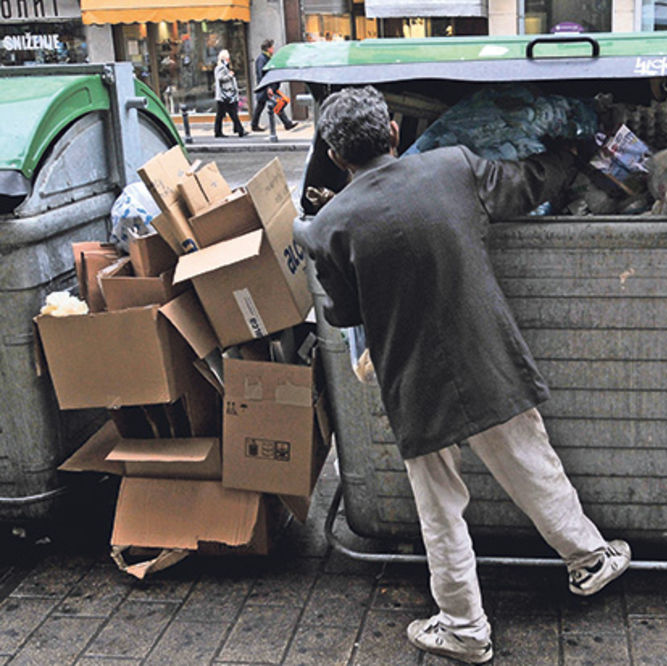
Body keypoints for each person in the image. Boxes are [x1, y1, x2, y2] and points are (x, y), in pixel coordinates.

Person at [298, 86, 631, 665]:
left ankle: (464, 628)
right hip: (485, 356)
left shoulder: (327, 226)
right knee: (533, 466)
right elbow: (529, 184)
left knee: (439, 509)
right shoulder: (452, 167)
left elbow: (346, 314)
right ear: (394, 134)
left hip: (413, 378)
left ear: (334, 154)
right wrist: (574, 152)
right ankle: (590, 560)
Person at [251, 39, 299, 132]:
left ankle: (254, 124)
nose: (273, 49)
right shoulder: (262, 59)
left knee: (263, 106)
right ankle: (287, 124)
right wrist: (268, 87)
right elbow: (262, 74)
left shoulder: (267, 57)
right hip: (266, 87)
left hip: (268, 87)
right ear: (268, 48)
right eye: (272, 47)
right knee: (277, 103)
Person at [213, 49, 246, 138]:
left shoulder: (223, 66)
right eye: (227, 57)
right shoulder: (221, 67)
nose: (229, 59)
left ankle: (220, 131)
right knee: (231, 113)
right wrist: (230, 75)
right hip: (225, 95)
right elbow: (220, 78)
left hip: (224, 95)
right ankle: (240, 130)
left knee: (222, 114)